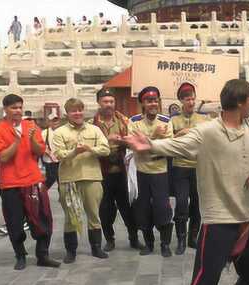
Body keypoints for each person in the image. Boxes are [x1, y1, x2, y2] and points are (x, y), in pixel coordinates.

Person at [124, 79, 249, 285]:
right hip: (219, 215)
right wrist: (149, 145)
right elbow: (174, 145)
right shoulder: (207, 131)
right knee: (209, 273)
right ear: (239, 102)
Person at [0, 94, 61, 270]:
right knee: (14, 222)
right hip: (10, 184)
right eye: (14, 107)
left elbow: (39, 151)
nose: (18, 111)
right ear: (5, 109)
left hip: (33, 180)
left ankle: (42, 255)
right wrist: (17, 139)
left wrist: (29, 139)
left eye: (20, 107)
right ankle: (20, 255)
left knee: (42, 219)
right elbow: (4, 156)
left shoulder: (31, 126)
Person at [53, 98, 111, 263]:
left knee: (94, 214)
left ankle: (96, 247)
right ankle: (71, 251)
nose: (77, 113)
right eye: (73, 110)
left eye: (80, 110)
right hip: (69, 179)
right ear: (67, 113)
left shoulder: (94, 130)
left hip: (92, 177)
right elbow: (58, 154)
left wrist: (89, 149)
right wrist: (74, 152)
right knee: (71, 217)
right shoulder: (60, 132)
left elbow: (105, 149)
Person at [128, 87, 174, 257]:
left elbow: (169, 148)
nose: (153, 104)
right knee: (143, 208)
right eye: (149, 101)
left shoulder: (166, 121)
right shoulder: (134, 122)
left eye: (155, 100)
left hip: (160, 171)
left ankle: (165, 244)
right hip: (142, 172)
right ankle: (148, 243)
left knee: (163, 208)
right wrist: (154, 137)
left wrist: (147, 144)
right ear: (142, 103)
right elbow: (135, 148)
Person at [92, 88, 140, 251]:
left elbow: (133, 142)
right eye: (105, 101)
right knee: (105, 209)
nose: (109, 105)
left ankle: (133, 238)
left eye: (111, 102)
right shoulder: (92, 125)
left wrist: (123, 142)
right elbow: (90, 147)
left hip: (122, 172)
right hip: (101, 172)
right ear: (99, 103)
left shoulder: (123, 120)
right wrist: (107, 140)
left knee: (127, 207)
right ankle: (109, 239)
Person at [170, 83, 209, 252]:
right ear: (181, 100)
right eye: (187, 99)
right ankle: (180, 238)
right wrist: (182, 133)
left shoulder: (203, 120)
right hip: (180, 167)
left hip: (198, 167)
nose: (191, 102)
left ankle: (193, 237)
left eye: (193, 98)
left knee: (197, 203)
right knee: (181, 203)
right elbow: (169, 141)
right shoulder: (173, 120)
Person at [41, 112, 62, 190]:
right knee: (50, 179)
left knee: (61, 181)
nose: (55, 122)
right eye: (53, 120)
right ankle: (41, 193)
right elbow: (42, 146)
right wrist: (50, 155)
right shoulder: (44, 133)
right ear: (49, 122)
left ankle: (62, 197)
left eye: (56, 120)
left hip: (61, 160)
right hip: (50, 161)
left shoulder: (62, 131)